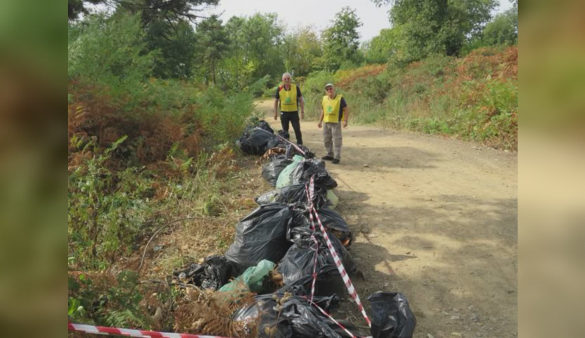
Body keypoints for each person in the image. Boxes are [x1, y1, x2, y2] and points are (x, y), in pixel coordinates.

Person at [317, 83, 348, 164]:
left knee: (337, 140)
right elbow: (323, 110)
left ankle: (337, 157)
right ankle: (330, 154)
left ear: (334, 89)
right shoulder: (324, 99)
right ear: (326, 91)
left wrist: (345, 120)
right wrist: (320, 121)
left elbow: (346, 109)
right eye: (327, 89)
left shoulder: (340, 98)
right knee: (326, 139)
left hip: (335, 122)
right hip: (326, 122)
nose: (329, 90)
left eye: (331, 88)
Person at [274, 72, 305, 145]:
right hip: (284, 113)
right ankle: (286, 145)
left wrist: (302, 111)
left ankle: (300, 145)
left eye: (288, 78)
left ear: (290, 79)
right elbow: (276, 101)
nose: (287, 80)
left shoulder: (295, 87)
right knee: (285, 131)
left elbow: (301, 99)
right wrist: (275, 113)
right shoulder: (279, 88)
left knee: (297, 129)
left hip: (294, 112)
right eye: (285, 79)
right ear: (282, 80)